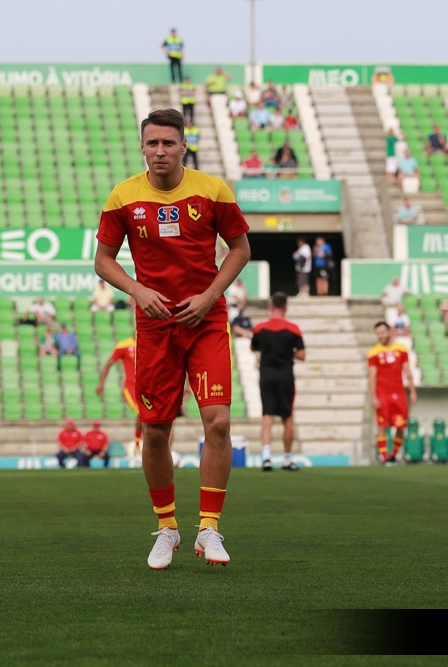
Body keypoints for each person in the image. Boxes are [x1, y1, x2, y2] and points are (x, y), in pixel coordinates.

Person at [94, 108, 251, 569]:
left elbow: (240, 248)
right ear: (142, 147)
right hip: (155, 326)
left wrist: (209, 296)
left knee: (218, 423)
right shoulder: (123, 196)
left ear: (184, 145)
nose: (160, 150)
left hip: (206, 320)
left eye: (168, 142)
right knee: (155, 430)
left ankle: (209, 528)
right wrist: (137, 290)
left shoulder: (212, 190)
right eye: (152, 143)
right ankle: (167, 528)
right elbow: (103, 260)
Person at [251, 293, 306, 472]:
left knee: (267, 416)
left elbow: (253, 346)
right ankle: (286, 460)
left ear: (271, 307)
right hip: (285, 376)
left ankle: (266, 458)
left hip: (266, 374)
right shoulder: (293, 329)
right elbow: (302, 354)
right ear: (286, 308)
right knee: (287, 417)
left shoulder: (260, 328)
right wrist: (287, 352)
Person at [367, 321, 417, 463]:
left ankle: (393, 455)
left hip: (399, 394)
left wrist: (412, 391)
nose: (381, 336)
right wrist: (373, 396)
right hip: (382, 394)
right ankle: (384, 458)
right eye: (378, 334)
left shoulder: (401, 350)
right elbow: (372, 376)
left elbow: (407, 371)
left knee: (400, 427)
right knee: (382, 426)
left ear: (389, 332)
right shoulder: (374, 353)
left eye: (383, 333)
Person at [97, 333, 143, 452]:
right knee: (142, 411)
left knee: (150, 413)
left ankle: (144, 441)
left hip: (145, 387)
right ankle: (137, 442)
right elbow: (108, 364)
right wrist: (101, 384)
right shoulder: (123, 346)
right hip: (130, 388)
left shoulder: (147, 344)